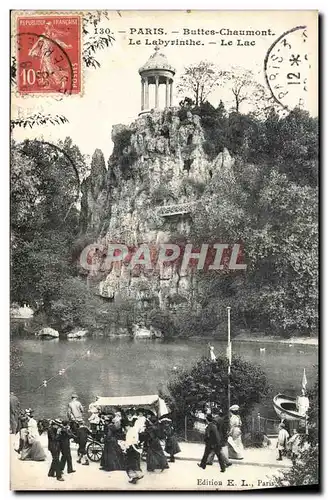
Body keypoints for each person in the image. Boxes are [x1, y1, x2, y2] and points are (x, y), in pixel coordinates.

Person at [125, 419, 144, 484]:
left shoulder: (130, 432)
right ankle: (136, 476)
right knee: (134, 463)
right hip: (135, 448)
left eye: (126, 426)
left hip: (131, 448)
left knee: (130, 464)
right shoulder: (134, 430)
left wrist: (125, 447)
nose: (125, 428)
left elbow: (129, 441)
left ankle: (135, 477)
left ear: (128, 426)